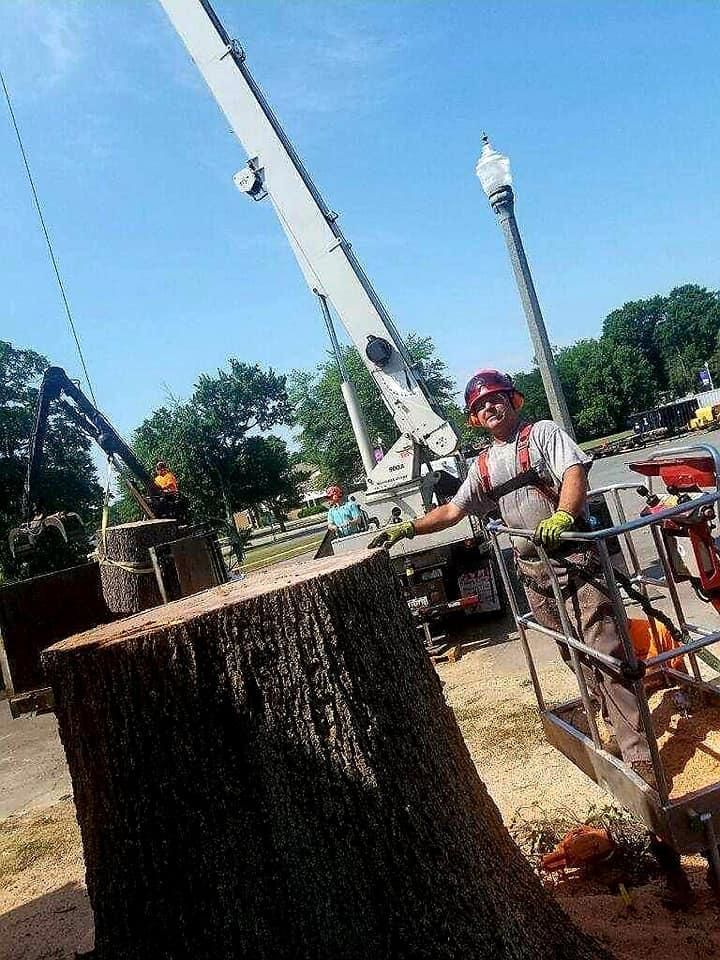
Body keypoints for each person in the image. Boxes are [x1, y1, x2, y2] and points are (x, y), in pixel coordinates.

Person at [369, 368, 656, 786]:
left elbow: (575, 472)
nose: (490, 407)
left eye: (496, 398)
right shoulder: (484, 464)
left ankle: (640, 757)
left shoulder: (541, 434)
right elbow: (453, 511)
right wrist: (409, 528)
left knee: (605, 647)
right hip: (534, 573)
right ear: (474, 418)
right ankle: (612, 723)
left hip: (575, 558)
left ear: (513, 400)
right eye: (480, 405)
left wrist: (565, 512)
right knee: (572, 652)